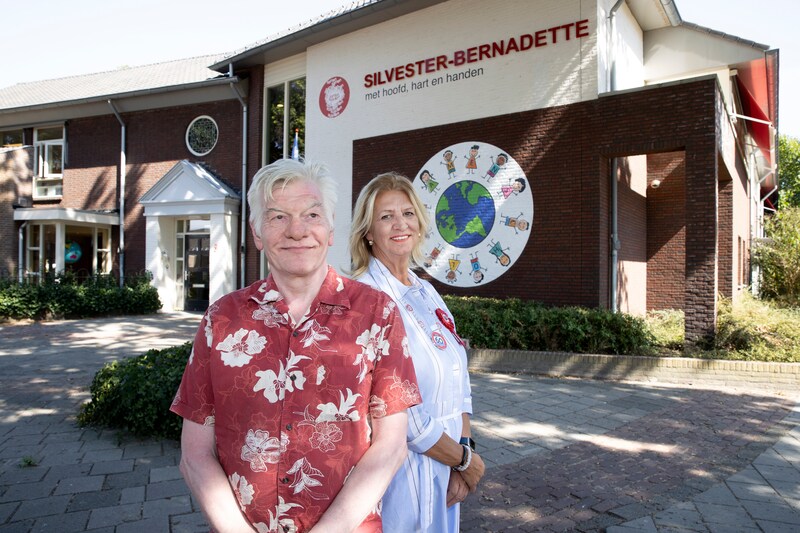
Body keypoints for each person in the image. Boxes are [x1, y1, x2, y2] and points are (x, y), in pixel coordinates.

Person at [171, 159, 421, 533]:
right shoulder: (220, 320)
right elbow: (194, 454)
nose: (297, 230)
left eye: (312, 215)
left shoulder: (378, 313)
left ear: (330, 229)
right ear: (257, 233)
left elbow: (391, 447)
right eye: (278, 217)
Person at [349, 172, 485, 532]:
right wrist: (463, 460)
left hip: (447, 462)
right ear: (368, 231)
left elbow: (457, 375)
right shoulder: (363, 298)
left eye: (408, 213)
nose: (400, 224)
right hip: (400, 472)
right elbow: (395, 408)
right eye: (386, 216)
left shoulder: (427, 292)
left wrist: (464, 446)